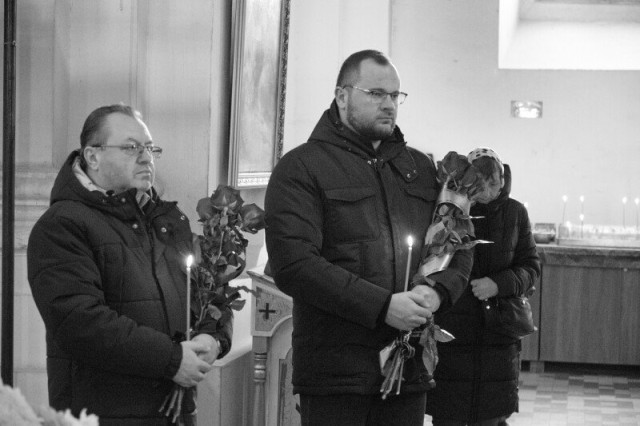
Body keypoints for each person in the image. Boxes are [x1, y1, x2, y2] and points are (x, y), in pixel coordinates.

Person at [264, 49, 472, 426]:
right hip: (336, 374)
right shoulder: (301, 168)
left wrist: (438, 292)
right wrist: (382, 306)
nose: (389, 104)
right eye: (376, 94)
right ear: (342, 96)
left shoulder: (420, 168)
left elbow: (457, 241)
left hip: (407, 367)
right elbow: (294, 265)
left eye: (395, 95)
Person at [27, 104, 232, 425]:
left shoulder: (166, 221)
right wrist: (172, 359)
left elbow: (210, 293)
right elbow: (79, 323)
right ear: (92, 156)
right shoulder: (62, 226)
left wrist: (212, 339)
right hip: (103, 413)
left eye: (150, 148)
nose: (146, 158)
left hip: (172, 412)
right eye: (131, 148)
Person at [425, 148, 541, 425]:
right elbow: (432, 258)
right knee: (449, 412)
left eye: (494, 183)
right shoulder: (451, 209)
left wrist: (498, 284)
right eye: (481, 183)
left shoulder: (515, 213)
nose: (488, 191)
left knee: (492, 415)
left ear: (503, 181)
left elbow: (531, 267)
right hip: (454, 327)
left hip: (499, 331)